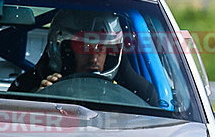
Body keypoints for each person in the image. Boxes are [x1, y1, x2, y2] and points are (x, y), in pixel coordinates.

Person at [9, 9, 159, 105]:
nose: (94, 59)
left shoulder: (140, 94)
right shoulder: (26, 88)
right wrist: (38, 100)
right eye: (84, 47)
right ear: (63, 50)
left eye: (101, 48)